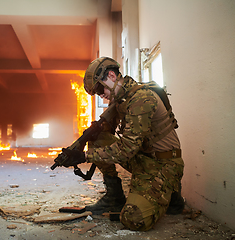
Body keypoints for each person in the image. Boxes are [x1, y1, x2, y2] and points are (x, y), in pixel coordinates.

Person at [63, 57, 185, 231]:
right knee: (97, 137)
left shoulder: (141, 99)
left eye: (100, 87)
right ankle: (114, 196)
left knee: (133, 219)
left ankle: (171, 193)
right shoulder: (121, 99)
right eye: (96, 92)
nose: (100, 94)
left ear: (111, 75)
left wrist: (84, 156)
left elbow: (127, 149)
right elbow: (107, 134)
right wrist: (84, 141)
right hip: (143, 159)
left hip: (163, 165)